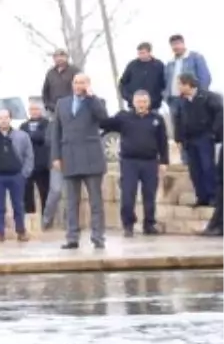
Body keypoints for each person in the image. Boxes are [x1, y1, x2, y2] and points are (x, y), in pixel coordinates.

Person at [49, 73, 110, 249]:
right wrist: (56, 156)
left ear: (88, 84)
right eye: (76, 82)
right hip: (70, 157)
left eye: (82, 82)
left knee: (95, 201)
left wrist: (91, 96)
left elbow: (104, 118)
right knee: (71, 202)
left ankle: (98, 236)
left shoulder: (96, 102)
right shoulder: (62, 103)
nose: (78, 85)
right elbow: (56, 132)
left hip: (91, 158)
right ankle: (72, 237)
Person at [101, 90, 168, 236]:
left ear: (149, 103)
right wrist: (96, 103)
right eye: (139, 102)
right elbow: (104, 123)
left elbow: (163, 141)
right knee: (128, 195)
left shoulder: (156, 119)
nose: (142, 105)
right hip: (129, 162)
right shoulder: (124, 117)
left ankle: (149, 224)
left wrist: (164, 161)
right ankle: (128, 225)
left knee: (150, 195)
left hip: (150, 162)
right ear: (133, 102)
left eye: (144, 102)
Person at [0, 109, 34, 242]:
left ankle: (21, 231)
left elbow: (29, 155)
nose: (3, 120)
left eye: (6, 117)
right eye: (1, 118)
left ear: (10, 119)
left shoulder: (22, 136)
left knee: (19, 205)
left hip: (16, 176)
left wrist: (25, 173)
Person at [172, 73, 223, 207]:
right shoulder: (181, 101)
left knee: (207, 167)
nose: (178, 87)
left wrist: (214, 132)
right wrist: (178, 138)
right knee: (195, 170)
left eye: (180, 84)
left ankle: (213, 197)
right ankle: (202, 197)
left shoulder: (207, 97)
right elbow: (177, 119)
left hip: (204, 138)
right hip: (189, 140)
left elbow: (220, 113)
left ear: (188, 84)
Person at [165, 34, 212, 115]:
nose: (175, 47)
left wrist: (200, 96)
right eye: (173, 45)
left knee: (191, 124)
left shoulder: (195, 57)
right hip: (173, 100)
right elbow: (165, 81)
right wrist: (166, 96)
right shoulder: (170, 63)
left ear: (183, 44)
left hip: (190, 98)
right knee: (177, 126)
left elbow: (205, 78)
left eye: (177, 43)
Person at [20, 100, 51, 215]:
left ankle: (45, 217)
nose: (34, 112)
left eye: (36, 109)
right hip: (27, 165)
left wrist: (30, 136)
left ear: (41, 110)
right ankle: (30, 216)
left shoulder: (47, 123)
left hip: (43, 165)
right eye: (31, 109)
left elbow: (44, 137)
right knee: (27, 193)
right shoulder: (23, 125)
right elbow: (21, 140)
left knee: (45, 193)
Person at [119, 42, 167, 112]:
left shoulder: (158, 65)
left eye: (143, 53)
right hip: (134, 107)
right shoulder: (132, 65)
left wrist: (157, 98)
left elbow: (163, 84)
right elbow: (123, 83)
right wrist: (130, 98)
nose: (141, 55)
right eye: (139, 53)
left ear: (149, 52)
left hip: (153, 107)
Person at [42, 48, 81, 114]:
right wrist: (48, 105)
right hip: (54, 109)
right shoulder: (50, 73)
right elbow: (45, 91)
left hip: (71, 109)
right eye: (56, 56)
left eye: (62, 56)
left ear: (67, 57)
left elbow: (81, 88)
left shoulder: (75, 71)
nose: (59, 58)